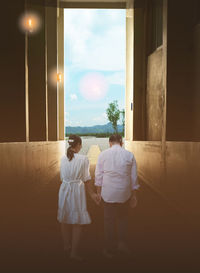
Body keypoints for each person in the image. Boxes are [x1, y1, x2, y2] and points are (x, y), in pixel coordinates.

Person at [95, 134, 139, 258]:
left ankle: (109, 248)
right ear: (122, 143)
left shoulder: (103, 155)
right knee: (123, 218)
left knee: (108, 220)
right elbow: (134, 177)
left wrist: (98, 193)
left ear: (110, 143)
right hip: (124, 193)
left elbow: (98, 176)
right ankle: (121, 244)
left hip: (108, 193)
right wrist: (134, 196)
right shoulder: (129, 155)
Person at [57, 134, 99, 261]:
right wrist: (93, 194)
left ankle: (66, 246)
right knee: (77, 222)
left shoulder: (63, 158)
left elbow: (61, 178)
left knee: (64, 219)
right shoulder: (83, 159)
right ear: (79, 145)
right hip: (76, 191)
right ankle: (73, 253)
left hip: (64, 189)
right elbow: (86, 179)